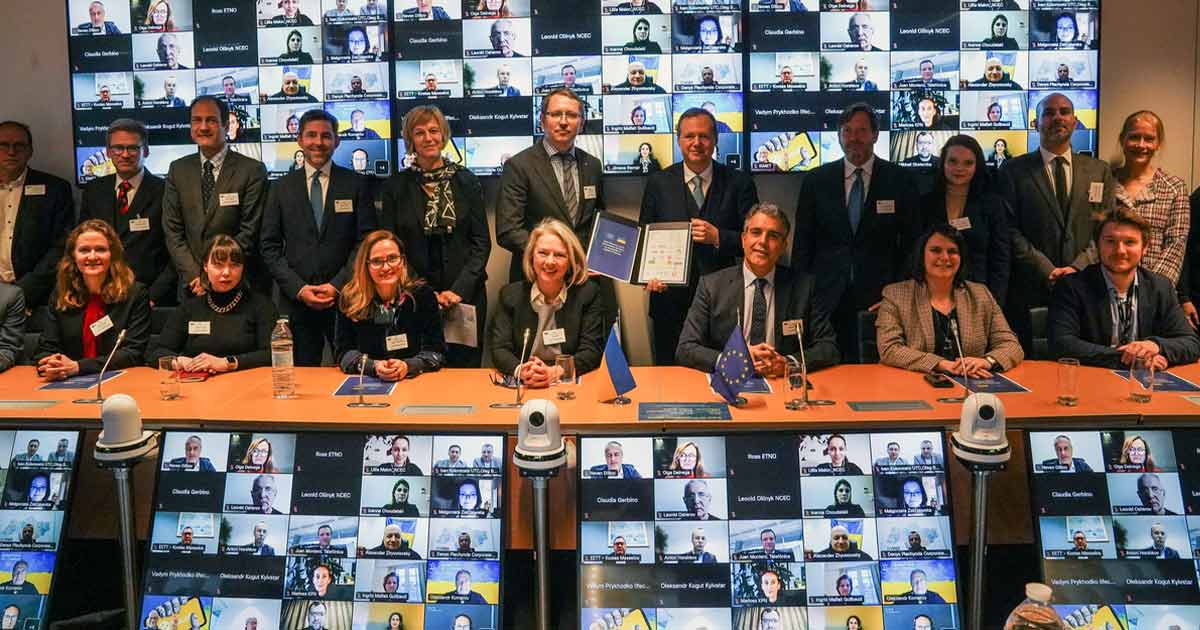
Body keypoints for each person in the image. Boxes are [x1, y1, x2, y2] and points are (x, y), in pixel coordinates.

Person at [792, 103, 918, 362]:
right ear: (839, 136)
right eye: (847, 131)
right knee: (827, 366)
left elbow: (911, 245)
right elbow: (803, 244)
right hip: (825, 297)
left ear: (875, 135)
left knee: (877, 369)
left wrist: (899, 295)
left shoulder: (899, 180)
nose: (854, 138)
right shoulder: (816, 180)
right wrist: (800, 296)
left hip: (880, 298)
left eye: (861, 131)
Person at [639, 107, 758, 364]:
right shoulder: (658, 182)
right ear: (678, 140)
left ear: (715, 140)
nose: (697, 143)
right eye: (689, 136)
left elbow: (756, 243)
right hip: (669, 302)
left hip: (723, 304)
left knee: (724, 372)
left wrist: (718, 237)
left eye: (704, 136)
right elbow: (643, 240)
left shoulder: (739, 182)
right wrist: (647, 277)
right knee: (669, 377)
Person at [261, 110, 374, 366]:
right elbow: (269, 246)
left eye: (326, 136)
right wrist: (299, 289)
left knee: (353, 369)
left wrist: (337, 285)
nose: (318, 142)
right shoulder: (280, 188)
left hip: (346, 299)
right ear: (299, 140)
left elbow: (365, 242)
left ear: (337, 141)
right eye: (311, 135)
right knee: (302, 375)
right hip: (296, 302)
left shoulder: (356, 184)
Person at [1003, 93, 1115, 347]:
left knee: (1085, 358)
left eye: (1064, 112)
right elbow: (1009, 229)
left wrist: (1078, 266)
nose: (1057, 118)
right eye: (1049, 113)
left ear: (1075, 121)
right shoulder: (1013, 171)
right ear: (1036, 123)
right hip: (1032, 287)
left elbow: (1106, 228)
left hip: (1087, 286)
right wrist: (1047, 269)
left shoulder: (1099, 170)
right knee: (1034, 361)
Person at [677, 203, 839, 374]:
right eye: (756, 232)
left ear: (783, 246)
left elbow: (828, 347)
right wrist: (731, 359)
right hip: (730, 379)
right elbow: (686, 349)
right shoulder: (711, 286)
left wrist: (788, 363)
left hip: (781, 380)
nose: (763, 242)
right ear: (743, 239)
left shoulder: (804, 287)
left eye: (773, 236)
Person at [496, 88, 608, 302]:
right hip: (537, 279)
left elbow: (598, 221)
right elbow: (508, 230)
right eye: (556, 114)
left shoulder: (593, 165)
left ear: (582, 123)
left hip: (583, 281)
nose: (564, 122)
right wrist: (557, 257)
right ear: (542, 121)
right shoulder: (518, 166)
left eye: (572, 115)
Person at [1049, 209, 1200, 368]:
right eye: (1110, 241)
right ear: (1097, 245)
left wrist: (1155, 346)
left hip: (1143, 381)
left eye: (1129, 242)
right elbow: (1062, 344)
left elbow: (1191, 343)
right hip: (1091, 378)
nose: (1120, 250)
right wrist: (1134, 359)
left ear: (1145, 248)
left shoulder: (1160, 287)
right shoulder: (1071, 287)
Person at [876, 224, 1023, 375]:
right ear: (921, 255)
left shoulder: (980, 294)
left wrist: (987, 361)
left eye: (952, 251)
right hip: (915, 382)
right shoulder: (896, 295)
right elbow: (889, 349)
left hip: (970, 382)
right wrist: (940, 364)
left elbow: (1011, 345)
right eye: (936, 250)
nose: (945, 258)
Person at [164, 96, 268, 299]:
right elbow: (172, 231)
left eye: (211, 120)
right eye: (197, 120)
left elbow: (250, 230)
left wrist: (215, 272)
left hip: (237, 283)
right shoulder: (178, 170)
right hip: (192, 287)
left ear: (226, 125)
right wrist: (197, 275)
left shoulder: (252, 170)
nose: (203, 127)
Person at [488, 219, 606, 386]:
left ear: (571, 261)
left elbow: (591, 351)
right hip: (527, 381)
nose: (550, 262)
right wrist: (522, 371)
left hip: (567, 384)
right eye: (543, 253)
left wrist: (556, 372)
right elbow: (500, 349)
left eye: (559, 255)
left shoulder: (588, 294)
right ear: (531, 256)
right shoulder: (510, 295)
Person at [35, 220, 150, 379]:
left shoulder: (135, 294)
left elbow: (133, 353)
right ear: (73, 256)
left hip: (121, 379)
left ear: (113, 255)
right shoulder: (61, 294)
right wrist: (52, 363)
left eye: (101, 249)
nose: (92, 256)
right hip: (67, 381)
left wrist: (78, 367)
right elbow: (46, 348)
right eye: (84, 250)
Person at [147, 235, 277, 375]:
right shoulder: (189, 308)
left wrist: (227, 363)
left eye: (234, 265)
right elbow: (155, 353)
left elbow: (272, 353)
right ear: (205, 266)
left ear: (242, 268)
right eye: (218, 265)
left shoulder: (261, 305)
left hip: (247, 382)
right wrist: (180, 361)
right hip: (198, 383)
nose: (226, 272)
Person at [79, 119, 174, 305]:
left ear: (146, 151)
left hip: (151, 297)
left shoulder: (165, 191)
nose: (125, 154)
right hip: (102, 294)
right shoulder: (93, 190)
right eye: (117, 148)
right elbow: (83, 244)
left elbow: (175, 249)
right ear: (108, 152)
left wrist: (154, 295)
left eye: (133, 148)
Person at [334, 230, 447, 380]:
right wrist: (373, 366)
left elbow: (436, 352)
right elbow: (343, 353)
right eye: (377, 261)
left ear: (403, 261)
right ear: (365, 265)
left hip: (415, 381)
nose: (386, 267)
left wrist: (408, 366)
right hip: (369, 381)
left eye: (392, 258)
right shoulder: (350, 298)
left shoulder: (423, 296)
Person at [0, 121, 75, 309]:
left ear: (30, 151)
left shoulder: (55, 189)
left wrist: (23, 291)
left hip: (38, 297)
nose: (11, 152)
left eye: (19, 145)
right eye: (3, 145)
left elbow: (62, 245)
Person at [1111, 111, 1189, 287]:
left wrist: (1151, 290)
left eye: (1149, 139)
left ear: (1158, 143)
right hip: (1105, 288)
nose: (1141, 145)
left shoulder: (1174, 188)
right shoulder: (1105, 182)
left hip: (1156, 290)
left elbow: (1176, 245)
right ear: (1122, 139)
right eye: (1134, 137)